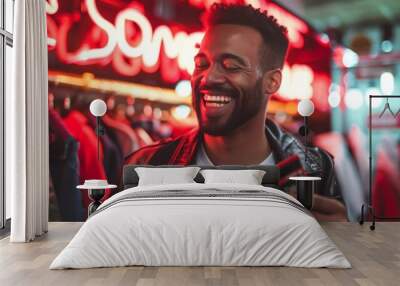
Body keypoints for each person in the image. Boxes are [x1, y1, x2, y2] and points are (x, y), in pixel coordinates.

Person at [125, 3, 347, 220]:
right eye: (201, 64)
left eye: (231, 66)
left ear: (272, 81)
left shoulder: (316, 170)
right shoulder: (147, 164)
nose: (208, 78)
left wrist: (341, 241)